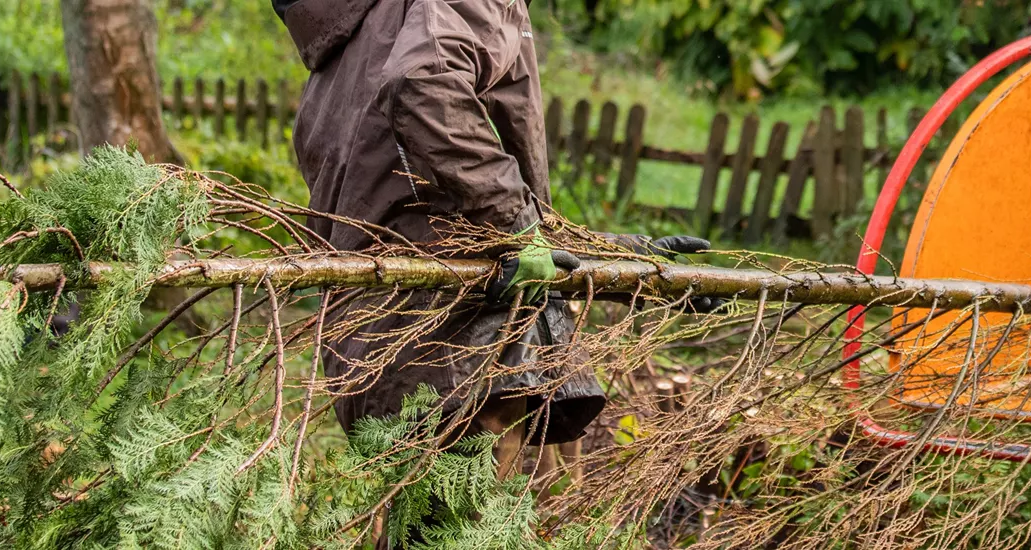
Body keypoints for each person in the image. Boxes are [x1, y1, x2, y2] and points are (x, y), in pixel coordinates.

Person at [272, 0, 711, 476]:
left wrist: (626, 261)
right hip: (461, 349)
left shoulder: (355, 43)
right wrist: (518, 228)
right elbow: (425, 84)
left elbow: (418, 206)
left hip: (381, 347)